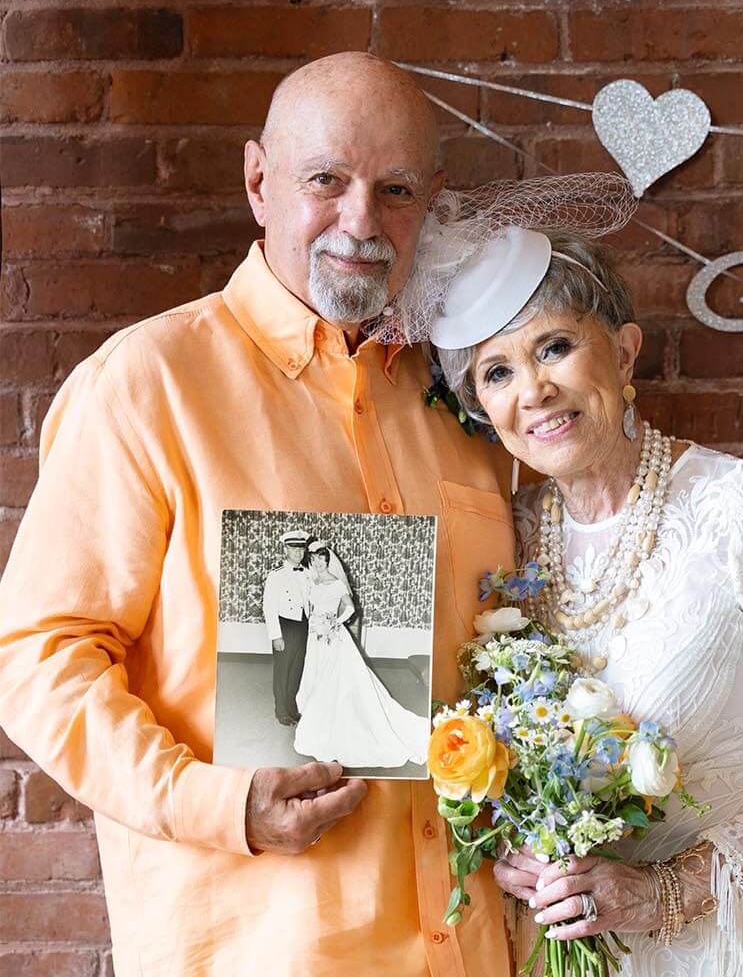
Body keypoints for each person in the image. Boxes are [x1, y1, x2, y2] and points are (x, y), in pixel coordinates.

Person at [0, 53, 517, 976]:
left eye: (396, 189)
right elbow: (36, 658)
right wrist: (218, 804)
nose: (361, 221)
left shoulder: (474, 403)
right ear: (257, 182)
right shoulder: (148, 385)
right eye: (327, 180)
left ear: (432, 202)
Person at [421, 222, 743, 976]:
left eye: (554, 347)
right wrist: (512, 847)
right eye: (497, 372)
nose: (534, 391)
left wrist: (663, 892)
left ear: (624, 351)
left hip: (721, 952)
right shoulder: (508, 540)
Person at [293, 540, 429, 768]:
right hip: (315, 636)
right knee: (315, 672)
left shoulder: (336, 583)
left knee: (333, 678)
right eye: (314, 559)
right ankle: (315, 715)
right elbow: (312, 607)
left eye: (321, 559)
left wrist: (334, 622)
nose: (317, 563)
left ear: (327, 560)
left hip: (332, 635)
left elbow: (350, 608)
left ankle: (332, 722)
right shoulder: (312, 581)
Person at [262, 528, 312, 725]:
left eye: (301, 549)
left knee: (297, 670)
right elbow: (269, 607)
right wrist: (276, 635)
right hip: (285, 625)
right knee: (283, 670)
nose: (298, 553)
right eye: (294, 548)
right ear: (286, 549)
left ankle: (292, 707)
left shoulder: (307, 573)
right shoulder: (276, 575)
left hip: (303, 624)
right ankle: (281, 710)